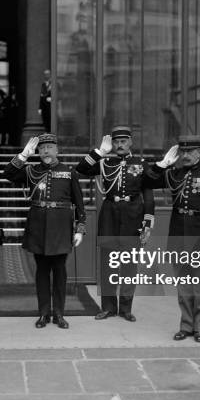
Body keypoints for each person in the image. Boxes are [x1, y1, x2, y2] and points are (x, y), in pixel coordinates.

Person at [151, 135, 200, 343]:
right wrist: (162, 164)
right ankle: (186, 325)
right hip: (178, 232)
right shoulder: (174, 174)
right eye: (182, 152)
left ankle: (199, 327)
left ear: (199, 153)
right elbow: (148, 180)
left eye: (189, 152)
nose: (185, 156)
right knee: (183, 284)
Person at [4, 134, 86, 329]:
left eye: (49, 147)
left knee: (59, 272)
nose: (46, 151)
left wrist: (80, 229)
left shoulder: (68, 172)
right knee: (41, 272)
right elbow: (8, 174)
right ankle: (43, 313)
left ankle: (58, 313)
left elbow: (79, 203)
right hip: (38, 227)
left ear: (57, 150)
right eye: (42, 148)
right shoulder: (31, 170)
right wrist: (24, 155)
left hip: (60, 228)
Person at [75, 126, 156, 322]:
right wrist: (98, 152)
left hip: (133, 216)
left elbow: (149, 196)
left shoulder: (141, 164)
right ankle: (109, 307)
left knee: (129, 265)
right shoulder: (105, 162)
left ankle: (126, 309)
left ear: (131, 143)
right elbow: (81, 169)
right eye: (116, 142)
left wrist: (147, 225)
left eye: (123, 141)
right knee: (108, 264)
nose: (119, 145)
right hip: (110, 216)